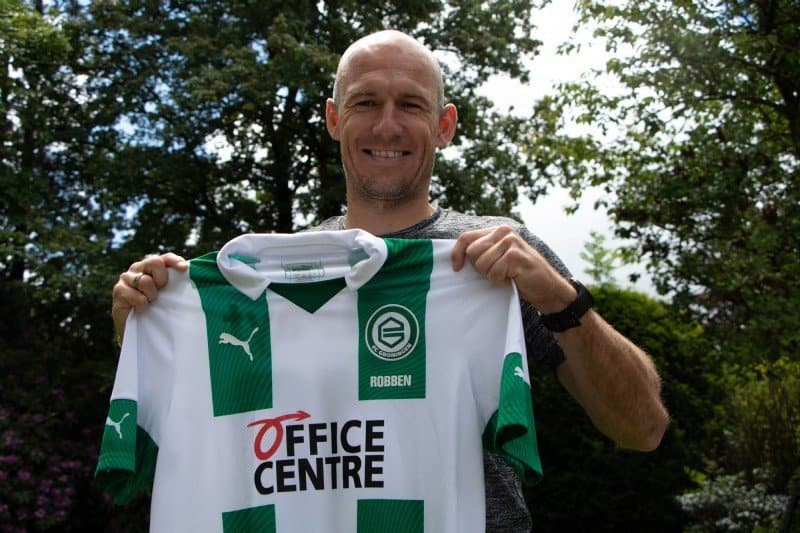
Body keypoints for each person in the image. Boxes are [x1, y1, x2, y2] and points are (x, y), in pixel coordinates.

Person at [111, 29, 669, 532]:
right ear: (334, 119)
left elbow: (642, 429)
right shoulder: (273, 274)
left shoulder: (496, 258)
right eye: (366, 103)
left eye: (410, 104)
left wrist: (559, 299)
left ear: (444, 125)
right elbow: (207, 418)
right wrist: (146, 326)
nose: (386, 125)